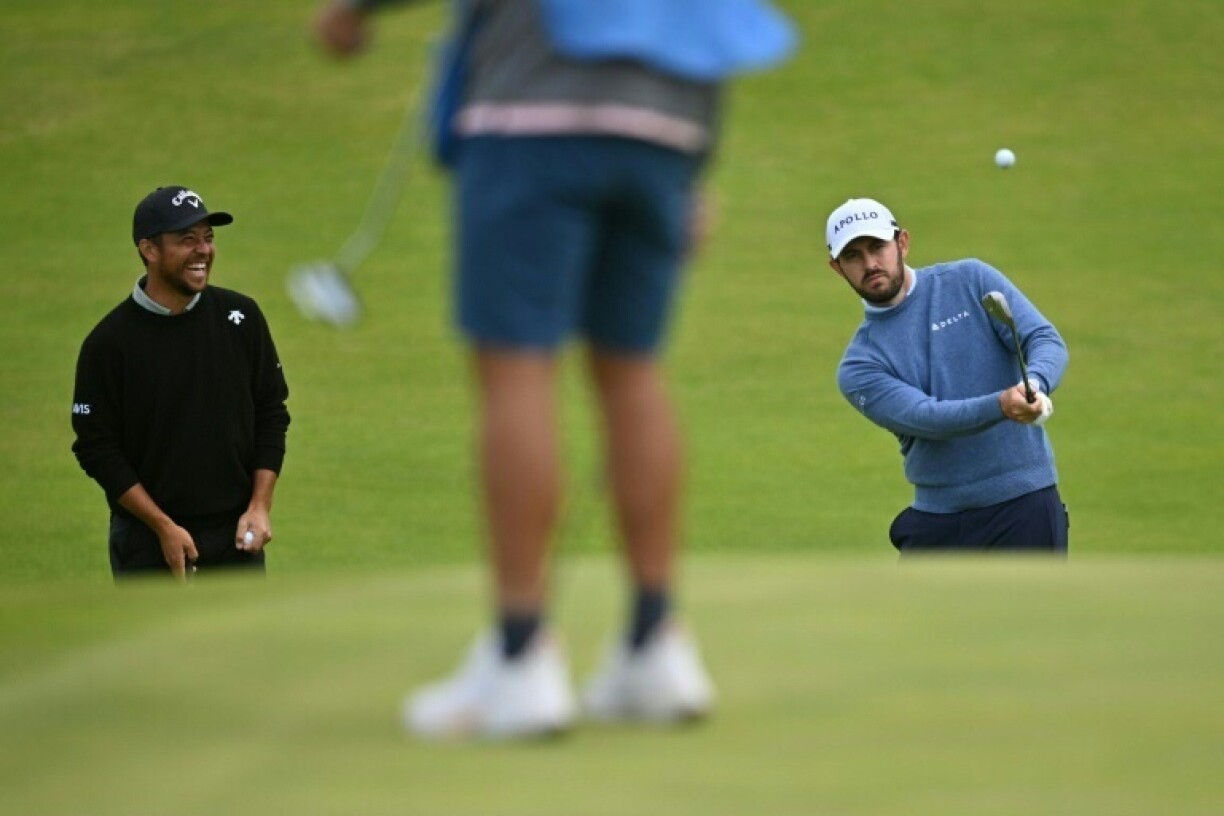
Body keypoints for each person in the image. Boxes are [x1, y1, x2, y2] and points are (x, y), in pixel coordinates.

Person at [314, 0, 795, 739]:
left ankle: (519, 655)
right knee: (632, 369)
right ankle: (655, 645)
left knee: (517, 368)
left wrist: (353, 12)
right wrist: (690, 170)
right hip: (672, 118)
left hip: (534, 103)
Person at [71, 186, 291, 581]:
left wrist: (260, 506)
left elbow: (271, 413)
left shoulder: (240, 317)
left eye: (208, 238)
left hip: (236, 538)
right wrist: (162, 526)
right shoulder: (109, 343)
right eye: (187, 240)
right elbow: (97, 448)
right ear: (149, 250)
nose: (203, 250)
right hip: (147, 542)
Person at [827, 197, 1069, 554]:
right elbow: (928, 418)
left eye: (877, 247)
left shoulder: (970, 280)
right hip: (939, 523)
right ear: (837, 268)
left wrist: (1034, 384)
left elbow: (1043, 339)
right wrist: (1003, 405)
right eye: (853, 256)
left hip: (1024, 505)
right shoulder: (859, 366)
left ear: (902, 243)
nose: (870, 264)